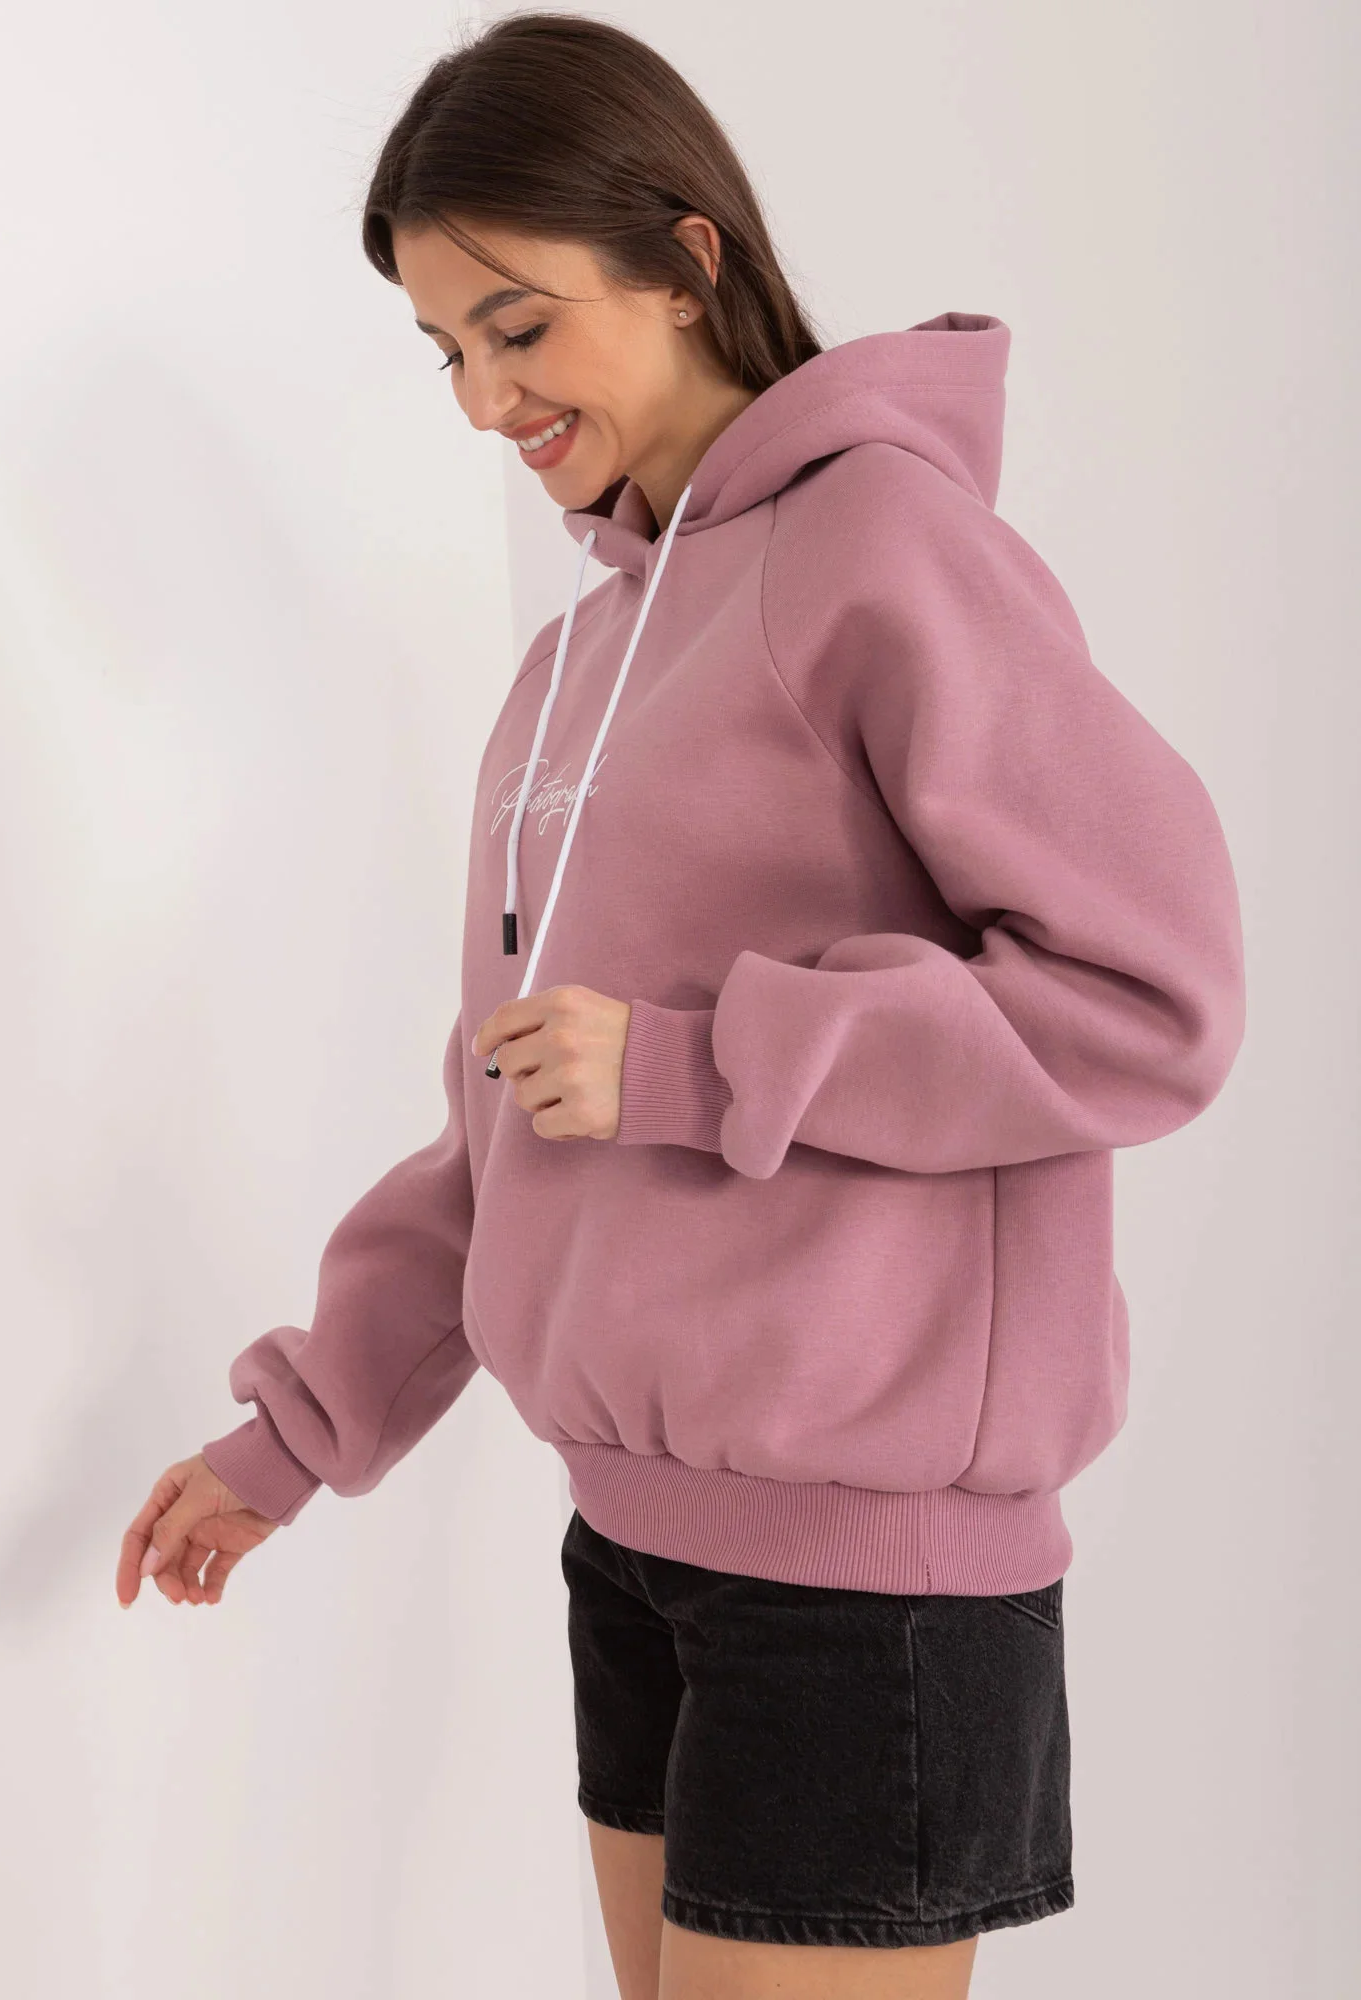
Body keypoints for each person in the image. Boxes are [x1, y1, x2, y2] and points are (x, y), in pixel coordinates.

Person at [115, 14, 1245, 1997]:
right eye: (445, 351)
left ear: (685, 260)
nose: (487, 399)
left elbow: (1152, 994)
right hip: (632, 1547)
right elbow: (506, 1130)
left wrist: (704, 1063)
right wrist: (291, 1439)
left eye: (520, 326)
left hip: (867, 1581)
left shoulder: (885, 548)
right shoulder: (574, 668)